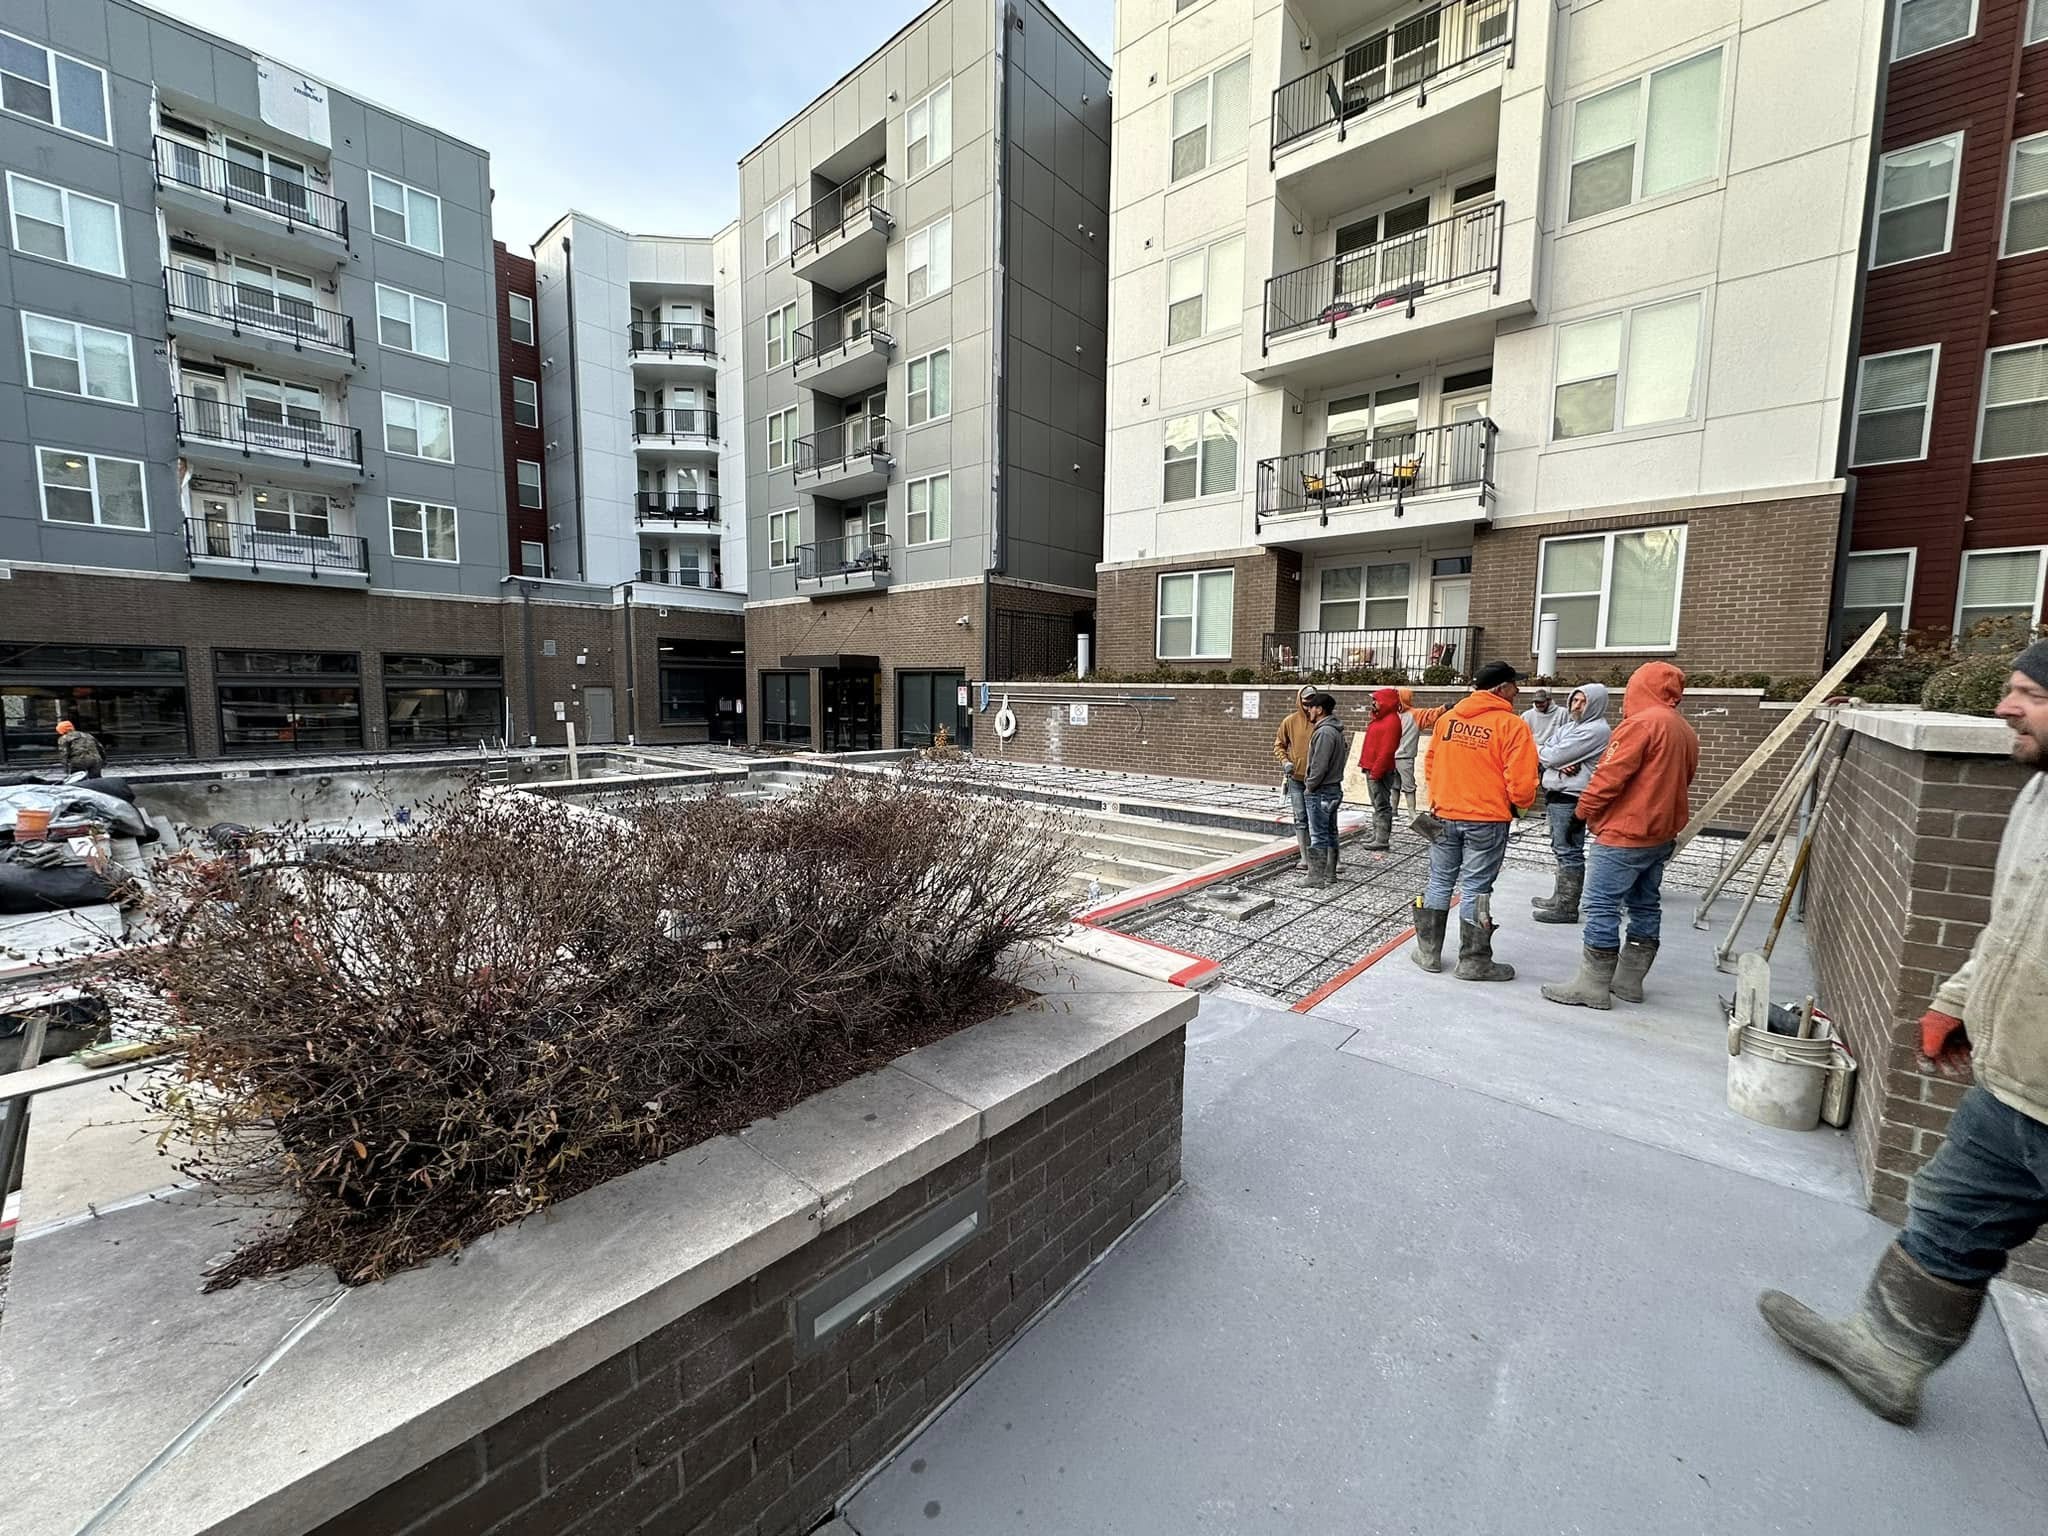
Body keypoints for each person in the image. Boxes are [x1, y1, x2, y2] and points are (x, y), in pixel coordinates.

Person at [1757, 642, 2048, 1425]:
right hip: (2013, 1087)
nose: (2004, 707)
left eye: (2030, 694)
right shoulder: (2038, 793)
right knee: (1950, 1216)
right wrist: (1959, 999)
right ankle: (1887, 1354)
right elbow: (2013, 921)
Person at [1541, 663, 1699, 1010]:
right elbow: (1683, 779)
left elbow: (1608, 777)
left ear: (1639, 688)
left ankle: (1592, 985)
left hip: (1624, 833)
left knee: (1601, 905)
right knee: (1645, 904)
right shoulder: (1683, 728)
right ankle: (1629, 981)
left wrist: (1581, 814)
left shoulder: (1640, 725)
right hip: (1660, 834)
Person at [1412, 661, 1539, 982]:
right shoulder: (1511, 725)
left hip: (1444, 814)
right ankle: (1473, 961)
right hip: (1486, 819)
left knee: (1439, 881)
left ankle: (1428, 953)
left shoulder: (1448, 720)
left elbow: (1431, 763)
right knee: (1476, 887)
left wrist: (1440, 797)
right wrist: (1519, 806)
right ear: (1500, 689)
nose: (1518, 690)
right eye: (1514, 684)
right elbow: (1522, 781)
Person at [1530, 684, 1613, 925]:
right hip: (1557, 793)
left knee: (1569, 849)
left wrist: (1553, 757)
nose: (1576, 706)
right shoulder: (1570, 727)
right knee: (1559, 847)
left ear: (1595, 704)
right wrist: (1554, 758)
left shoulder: (1595, 730)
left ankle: (1567, 907)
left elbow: (1551, 755)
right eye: (1574, 701)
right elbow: (1549, 753)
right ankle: (1559, 898)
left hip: (1571, 796)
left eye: (1583, 702)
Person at [1302, 692, 1347, 886]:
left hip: (1322, 790)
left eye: (1311, 707)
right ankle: (1330, 874)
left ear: (1319, 709)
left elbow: (1319, 765)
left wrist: (1310, 786)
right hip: (1333, 788)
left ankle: (1315, 877)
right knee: (1330, 832)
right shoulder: (1335, 731)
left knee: (1319, 835)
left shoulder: (1324, 733)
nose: (1308, 711)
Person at [1273, 685, 1319, 871]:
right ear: (1300, 701)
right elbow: (1279, 745)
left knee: (1318, 819)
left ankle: (1321, 859)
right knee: (1300, 818)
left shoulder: (1323, 722)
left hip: (1318, 780)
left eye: (1312, 702)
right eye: (1306, 702)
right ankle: (1305, 858)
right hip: (1296, 779)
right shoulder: (1290, 721)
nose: (1309, 707)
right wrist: (1285, 762)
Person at [1356, 687, 1401, 852]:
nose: (1373, 703)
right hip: (1371, 766)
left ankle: (1382, 839)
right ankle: (1377, 835)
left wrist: (1376, 772)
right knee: (1376, 803)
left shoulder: (1391, 721)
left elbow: (1387, 750)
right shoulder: (1380, 718)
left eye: (1375, 700)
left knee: (1381, 804)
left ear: (1385, 702)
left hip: (1380, 770)